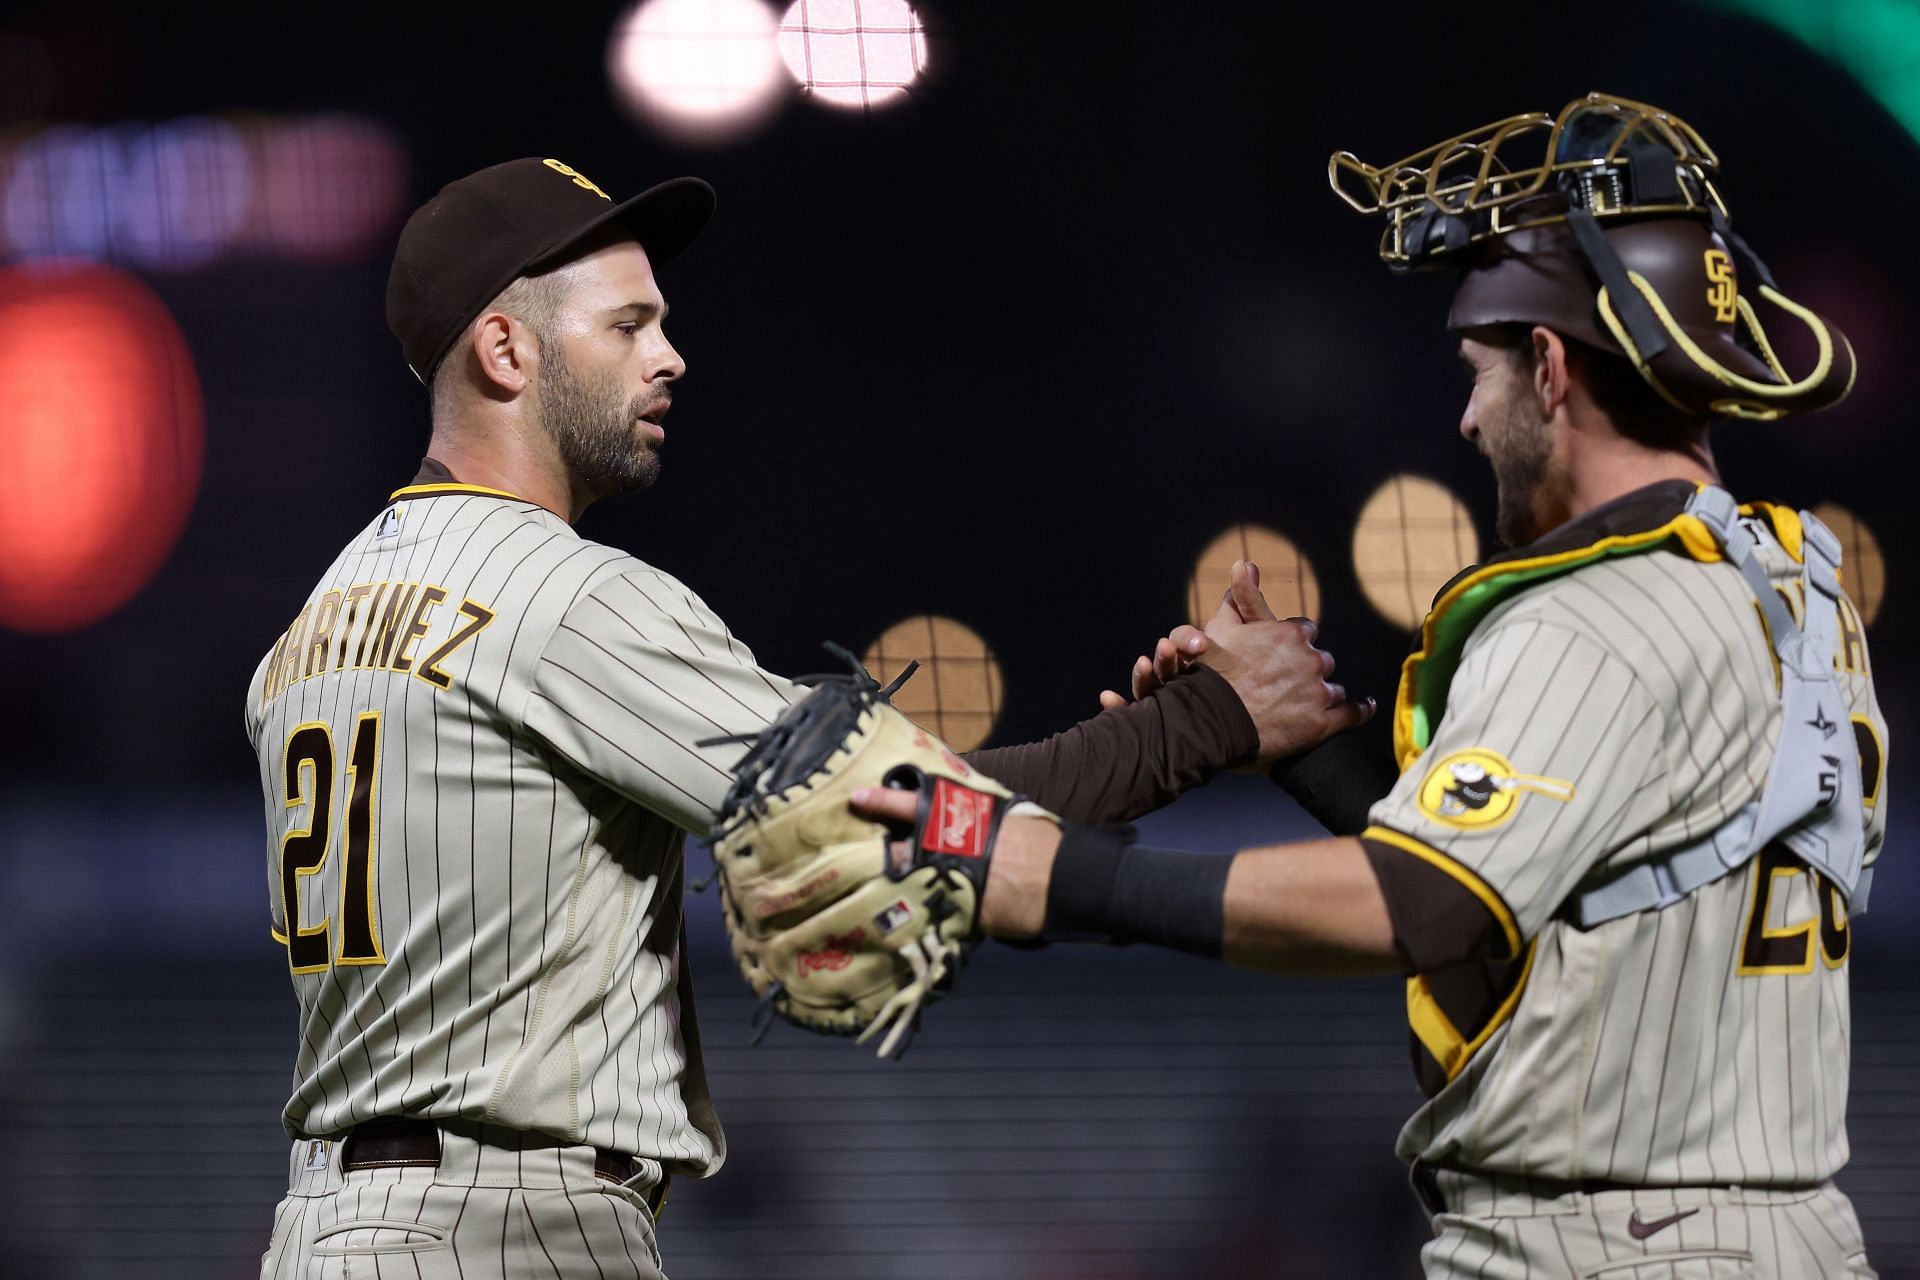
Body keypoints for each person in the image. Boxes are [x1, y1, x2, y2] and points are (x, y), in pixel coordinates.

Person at [246, 156, 1365, 1279]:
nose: (669, 355)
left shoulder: (306, 631)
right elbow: (902, 810)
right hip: (504, 1226)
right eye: (628, 324)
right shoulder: (563, 597)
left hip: (328, 1228)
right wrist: (1210, 721)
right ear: (505, 350)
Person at [854, 93, 1888, 1277]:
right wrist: (1315, 758)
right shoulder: (1794, 580)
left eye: (1478, 371)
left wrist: (1062, 875)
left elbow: (1421, 906)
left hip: (1614, 1243)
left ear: (1548, 367)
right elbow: (1573, 884)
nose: (1466, 413)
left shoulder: (1593, 614)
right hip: (1776, 1229)